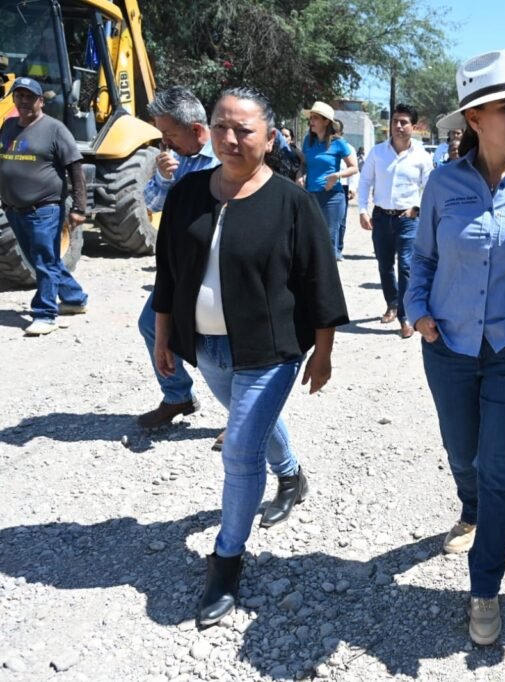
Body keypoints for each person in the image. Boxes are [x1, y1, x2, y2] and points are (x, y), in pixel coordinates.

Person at [152, 87, 348, 627]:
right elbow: (168, 270)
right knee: (250, 426)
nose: (231, 139)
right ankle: (291, 476)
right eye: (221, 127)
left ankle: (227, 559)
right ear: (207, 131)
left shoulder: (292, 201)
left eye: (244, 130)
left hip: (271, 350)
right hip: (208, 349)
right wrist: (162, 334)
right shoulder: (188, 192)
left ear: (268, 135)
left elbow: (320, 282)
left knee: (239, 448)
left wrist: (324, 352)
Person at [406, 49, 505, 647]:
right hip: (446, 346)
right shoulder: (444, 183)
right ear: (474, 118)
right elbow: (422, 257)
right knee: (462, 452)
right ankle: (467, 506)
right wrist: (418, 312)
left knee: (501, 469)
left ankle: (484, 588)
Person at [137, 86, 221, 431]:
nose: (166, 142)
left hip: (220, 266)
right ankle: (177, 396)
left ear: (197, 130)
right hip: (180, 266)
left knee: (230, 342)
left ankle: (244, 417)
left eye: (170, 134)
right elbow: (153, 205)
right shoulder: (176, 159)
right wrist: (163, 177)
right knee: (150, 324)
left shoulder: (226, 157)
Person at [0, 77, 88, 336]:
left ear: (41, 100)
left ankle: (46, 314)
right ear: (13, 99)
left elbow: (75, 168)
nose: (24, 101)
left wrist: (79, 207)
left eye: (30, 97)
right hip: (14, 209)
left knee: (43, 260)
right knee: (42, 259)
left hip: (44, 209)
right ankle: (74, 298)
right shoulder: (8, 126)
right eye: (19, 96)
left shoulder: (55, 129)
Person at [357, 103, 433, 338]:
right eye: (395, 121)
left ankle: (405, 315)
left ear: (414, 126)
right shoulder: (377, 153)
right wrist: (362, 209)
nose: (398, 126)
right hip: (381, 217)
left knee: (407, 266)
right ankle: (392, 303)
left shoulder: (421, 155)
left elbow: (429, 188)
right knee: (384, 264)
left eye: (404, 122)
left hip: (407, 219)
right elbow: (365, 181)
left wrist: (417, 209)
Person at [300, 101, 357, 261]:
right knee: (310, 239)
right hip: (310, 196)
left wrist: (336, 176)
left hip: (332, 197)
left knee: (327, 241)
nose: (311, 121)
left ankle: (327, 281)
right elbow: (304, 164)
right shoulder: (307, 141)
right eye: (311, 118)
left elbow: (354, 168)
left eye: (316, 118)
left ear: (326, 121)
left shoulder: (338, 143)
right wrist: (300, 175)